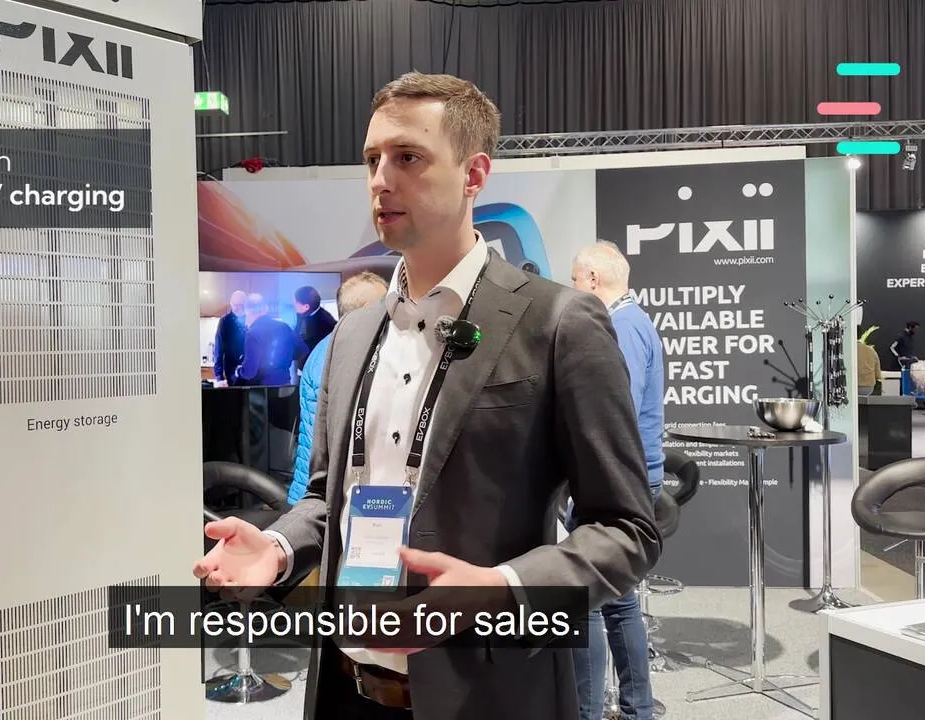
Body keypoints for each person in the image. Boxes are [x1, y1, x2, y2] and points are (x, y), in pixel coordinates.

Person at [193, 71, 660, 720]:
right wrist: (276, 547)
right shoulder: (353, 336)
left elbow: (627, 529)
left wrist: (505, 590)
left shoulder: (559, 323)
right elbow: (328, 500)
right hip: (347, 686)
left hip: (489, 694)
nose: (381, 179)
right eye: (372, 160)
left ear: (474, 175)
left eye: (408, 157)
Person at [568, 241, 664, 720]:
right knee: (617, 600)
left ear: (590, 280)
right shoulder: (635, 320)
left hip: (613, 483)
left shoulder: (621, 327)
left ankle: (590, 712)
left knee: (584, 599)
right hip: (627, 479)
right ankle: (635, 708)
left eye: (573, 280)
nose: (571, 290)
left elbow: (612, 410)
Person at [290, 272, 389, 505]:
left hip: (312, 494)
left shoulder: (326, 348)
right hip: (328, 499)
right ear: (367, 310)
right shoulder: (348, 355)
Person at [236, 293, 308, 387]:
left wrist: (239, 371)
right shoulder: (283, 326)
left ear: (247, 311)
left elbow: (249, 372)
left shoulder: (253, 333)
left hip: (262, 392)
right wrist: (286, 357)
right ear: (265, 309)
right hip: (284, 387)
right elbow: (303, 350)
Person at [294, 285, 339, 367]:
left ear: (306, 307)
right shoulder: (302, 314)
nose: (294, 304)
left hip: (315, 366)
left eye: (296, 302)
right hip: (303, 364)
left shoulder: (326, 322)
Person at [211, 290, 248, 386]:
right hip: (231, 373)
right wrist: (219, 377)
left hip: (250, 371)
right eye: (236, 304)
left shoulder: (251, 319)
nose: (239, 307)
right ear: (231, 304)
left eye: (241, 304)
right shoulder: (224, 321)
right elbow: (218, 349)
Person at [856, 327, 882, 396]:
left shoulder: (848, 350)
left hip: (853, 386)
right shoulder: (871, 350)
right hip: (869, 387)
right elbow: (878, 374)